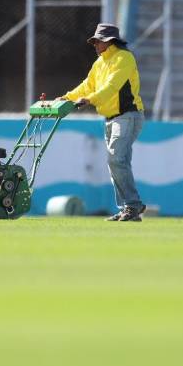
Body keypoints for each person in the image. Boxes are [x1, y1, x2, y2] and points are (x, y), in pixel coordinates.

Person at [59, 23, 147, 222]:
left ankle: (133, 206)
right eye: (95, 42)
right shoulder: (100, 62)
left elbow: (112, 86)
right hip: (111, 118)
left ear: (109, 41)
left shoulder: (124, 57)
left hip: (128, 115)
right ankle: (128, 209)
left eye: (98, 41)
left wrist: (90, 100)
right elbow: (87, 85)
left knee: (116, 159)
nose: (95, 45)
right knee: (116, 163)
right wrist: (67, 97)